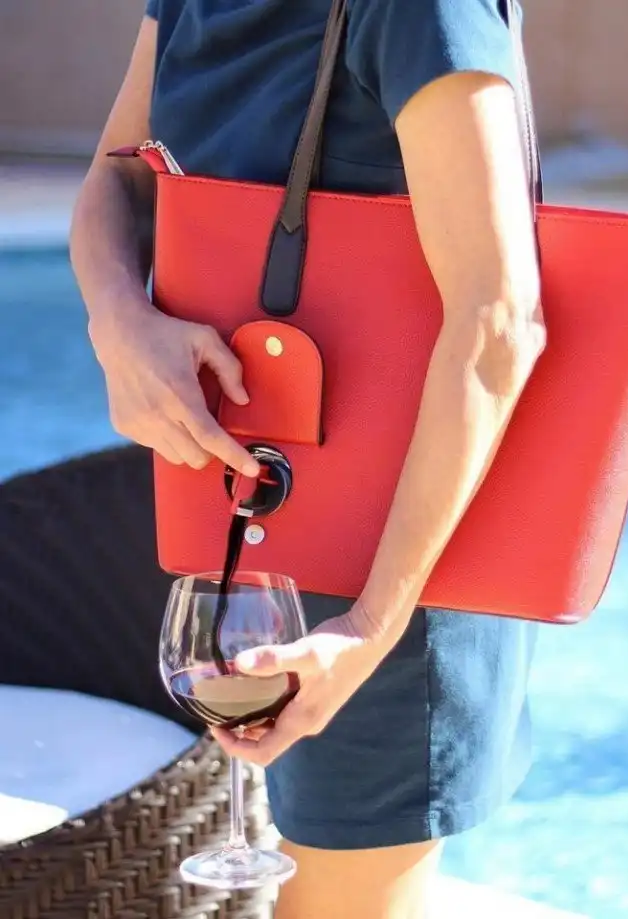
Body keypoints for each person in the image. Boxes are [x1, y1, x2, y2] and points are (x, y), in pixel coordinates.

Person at [70, 1, 546, 917]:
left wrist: (368, 627)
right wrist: (119, 321)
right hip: (247, 514)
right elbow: (120, 173)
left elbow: (498, 321)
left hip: (390, 559)